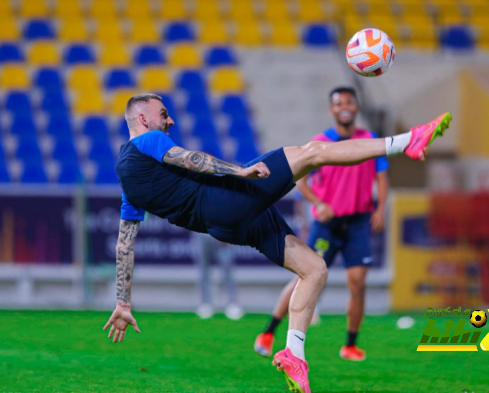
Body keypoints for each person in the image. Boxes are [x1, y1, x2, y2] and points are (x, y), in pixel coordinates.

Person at [102, 93, 451, 393]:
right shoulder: (146, 140)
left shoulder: (128, 180)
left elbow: (124, 245)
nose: (171, 120)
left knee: (314, 269)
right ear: (144, 118)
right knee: (313, 152)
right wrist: (238, 171)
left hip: (227, 226)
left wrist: (123, 302)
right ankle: (408, 141)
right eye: (164, 114)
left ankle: (293, 356)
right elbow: (188, 157)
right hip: (227, 199)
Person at [254, 87, 389, 362]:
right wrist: (318, 202)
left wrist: (381, 208)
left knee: (358, 282)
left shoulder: (370, 140)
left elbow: (382, 176)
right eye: (339, 103)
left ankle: (350, 344)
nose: (345, 106)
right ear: (332, 109)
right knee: (305, 275)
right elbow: (300, 178)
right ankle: (268, 332)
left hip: (359, 221)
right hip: (327, 223)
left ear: (357, 106)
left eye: (350, 101)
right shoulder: (320, 142)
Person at [192, 232, 243, 320]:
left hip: (220, 234)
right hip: (201, 235)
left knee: (227, 270)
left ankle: (232, 303)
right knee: (203, 270)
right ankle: (205, 303)